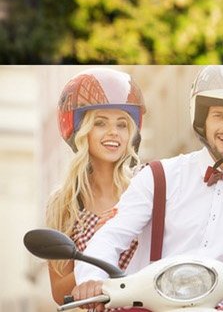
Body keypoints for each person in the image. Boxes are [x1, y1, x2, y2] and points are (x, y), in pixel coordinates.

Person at [69, 67, 223, 305]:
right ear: (202, 119)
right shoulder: (159, 176)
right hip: (145, 308)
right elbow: (110, 236)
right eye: (219, 115)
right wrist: (92, 280)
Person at [45, 68, 146, 302]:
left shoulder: (144, 187)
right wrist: (98, 249)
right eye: (100, 123)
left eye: (122, 124)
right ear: (83, 131)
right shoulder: (64, 203)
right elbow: (60, 293)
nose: (114, 133)